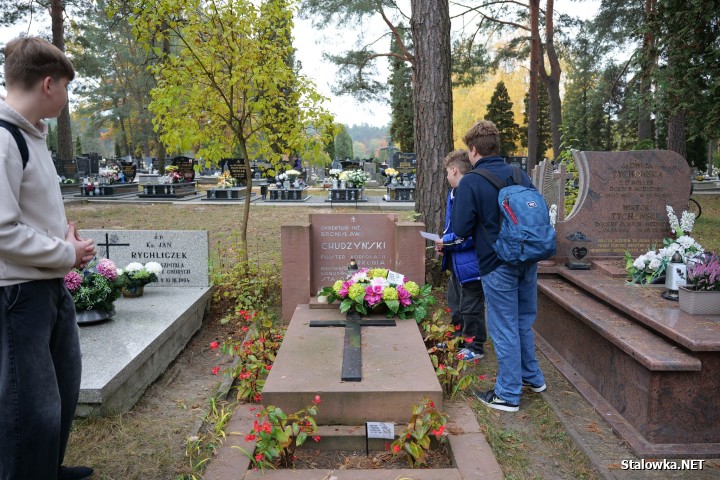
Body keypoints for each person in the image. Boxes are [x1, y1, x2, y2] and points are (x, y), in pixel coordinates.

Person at [0, 37, 97, 480]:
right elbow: (1, 232)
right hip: (18, 294)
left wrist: (65, 240)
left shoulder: (30, 136)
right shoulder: (4, 139)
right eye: (65, 86)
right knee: (29, 404)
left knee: (61, 388)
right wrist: (64, 251)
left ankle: (48, 470)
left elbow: (28, 213)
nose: (66, 96)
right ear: (47, 85)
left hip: (47, 284)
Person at [451, 120, 546, 413]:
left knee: (503, 326)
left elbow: (461, 227)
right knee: (521, 321)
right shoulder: (518, 173)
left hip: (496, 263)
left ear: (474, 149)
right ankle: (532, 378)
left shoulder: (472, 181)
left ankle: (507, 394)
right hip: (527, 258)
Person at [434, 150, 486, 361]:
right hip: (457, 261)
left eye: (447, 172)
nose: (447, 176)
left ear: (454, 169)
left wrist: (447, 243)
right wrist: (444, 244)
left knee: (471, 307)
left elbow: (471, 234)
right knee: (455, 302)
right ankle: (457, 339)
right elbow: (453, 228)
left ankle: (476, 346)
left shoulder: (471, 193)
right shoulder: (454, 193)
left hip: (472, 263)